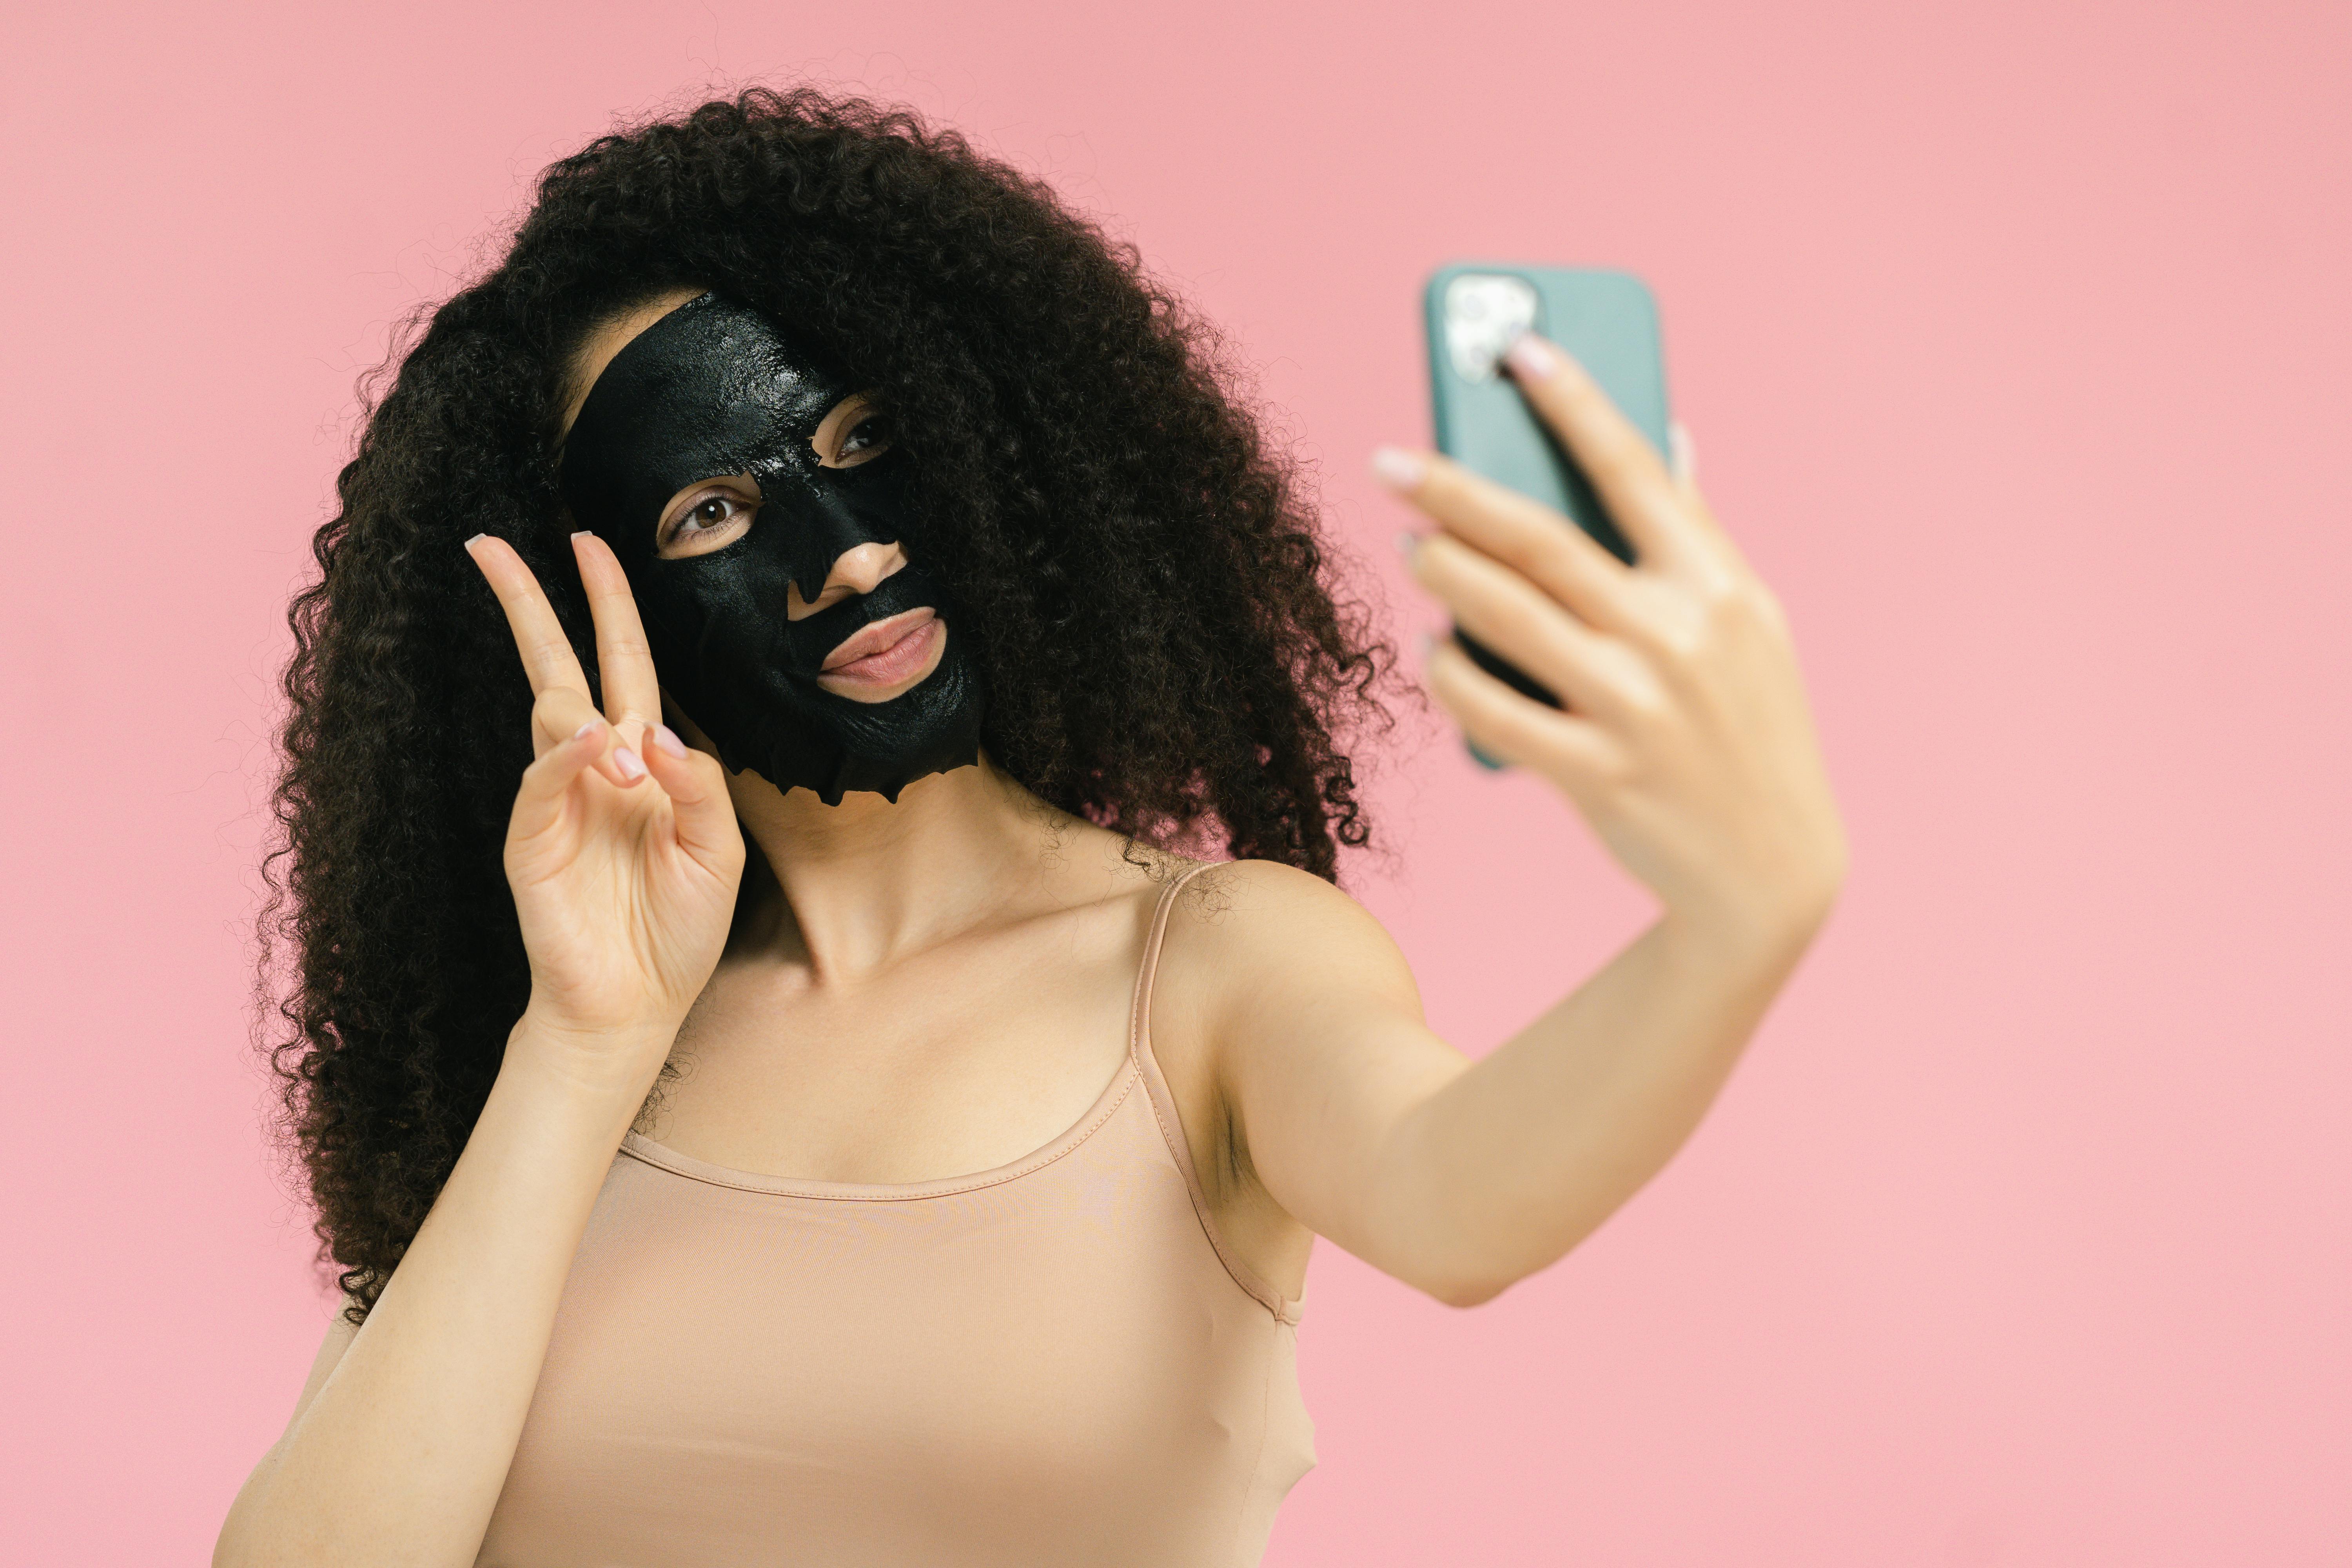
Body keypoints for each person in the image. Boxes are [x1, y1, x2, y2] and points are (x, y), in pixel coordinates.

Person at [216, 89, 1846, 1568]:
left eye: (866, 446)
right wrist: (582, 1045)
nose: (846, 557)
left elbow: (1461, 1192)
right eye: (711, 510)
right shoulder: (567, 1041)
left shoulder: (1201, 967)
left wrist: (1735, 923)